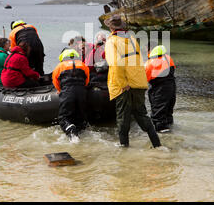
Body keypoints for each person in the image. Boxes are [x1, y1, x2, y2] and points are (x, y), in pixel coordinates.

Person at [104, 14, 161, 148]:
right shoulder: (132, 39)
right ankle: (157, 144)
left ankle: (124, 149)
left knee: (122, 118)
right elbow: (138, 60)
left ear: (111, 29)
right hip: (139, 82)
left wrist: (123, 84)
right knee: (142, 115)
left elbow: (115, 64)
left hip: (125, 85)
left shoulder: (111, 41)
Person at [52, 49, 90, 140]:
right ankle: (81, 132)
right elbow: (87, 80)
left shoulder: (59, 66)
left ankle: (71, 132)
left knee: (63, 118)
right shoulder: (83, 65)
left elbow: (55, 81)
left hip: (67, 93)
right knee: (80, 117)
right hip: (82, 92)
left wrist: (59, 90)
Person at [145, 44, 176, 132]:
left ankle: (162, 138)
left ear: (149, 50)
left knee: (158, 114)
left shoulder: (150, 64)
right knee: (168, 112)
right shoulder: (168, 57)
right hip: (172, 87)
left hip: (160, 90)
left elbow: (143, 81)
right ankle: (171, 131)